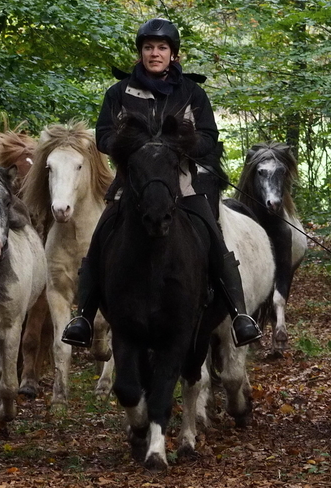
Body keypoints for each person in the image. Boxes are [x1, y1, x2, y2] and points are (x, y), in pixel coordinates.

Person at [61, 18, 262, 349]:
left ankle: (239, 314)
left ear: (173, 54)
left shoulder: (192, 92)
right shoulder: (118, 93)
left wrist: (179, 146)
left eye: (162, 48)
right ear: (141, 53)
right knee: (101, 235)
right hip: (133, 183)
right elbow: (103, 136)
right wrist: (134, 149)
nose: (155, 53)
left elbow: (210, 136)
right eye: (149, 48)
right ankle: (83, 315)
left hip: (182, 182)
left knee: (213, 235)